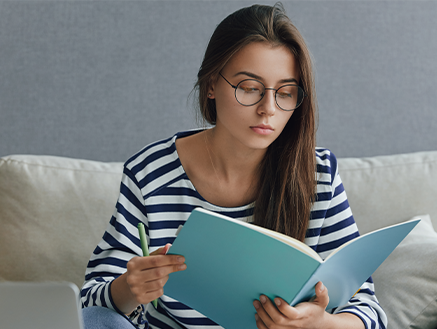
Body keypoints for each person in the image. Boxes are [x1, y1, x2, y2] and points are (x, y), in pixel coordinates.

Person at [81, 3, 387, 329]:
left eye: (285, 93)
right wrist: (130, 288)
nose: (268, 109)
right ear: (211, 85)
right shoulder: (150, 173)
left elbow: (367, 310)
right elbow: (90, 302)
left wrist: (319, 324)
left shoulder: (318, 176)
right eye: (250, 88)